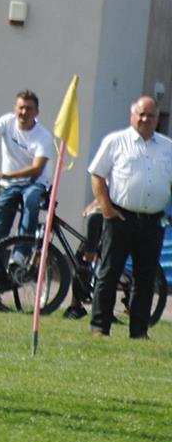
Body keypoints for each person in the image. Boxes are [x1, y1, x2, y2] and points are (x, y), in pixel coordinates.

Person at [87, 96, 172, 338]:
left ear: (158, 119)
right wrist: (106, 208)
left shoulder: (168, 147)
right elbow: (97, 174)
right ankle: (100, 328)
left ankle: (139, 331)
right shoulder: (115, 141)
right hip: (120, 217)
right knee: (109, 273)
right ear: (132, 115)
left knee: (145, 280)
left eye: (151, 115)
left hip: (152, 221)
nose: (145, 119)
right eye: (141, 114)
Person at [0, 90, 51, 238]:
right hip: (9, 184)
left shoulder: (43, 136)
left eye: (29, 108)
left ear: (36, 112)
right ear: (15, 109)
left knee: (31, 200)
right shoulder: (7, 121)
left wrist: (7, 175)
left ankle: (21, 254)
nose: (24, 112)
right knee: (0, 219)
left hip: (34, 183)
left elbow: (36, 169)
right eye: (21, 108)